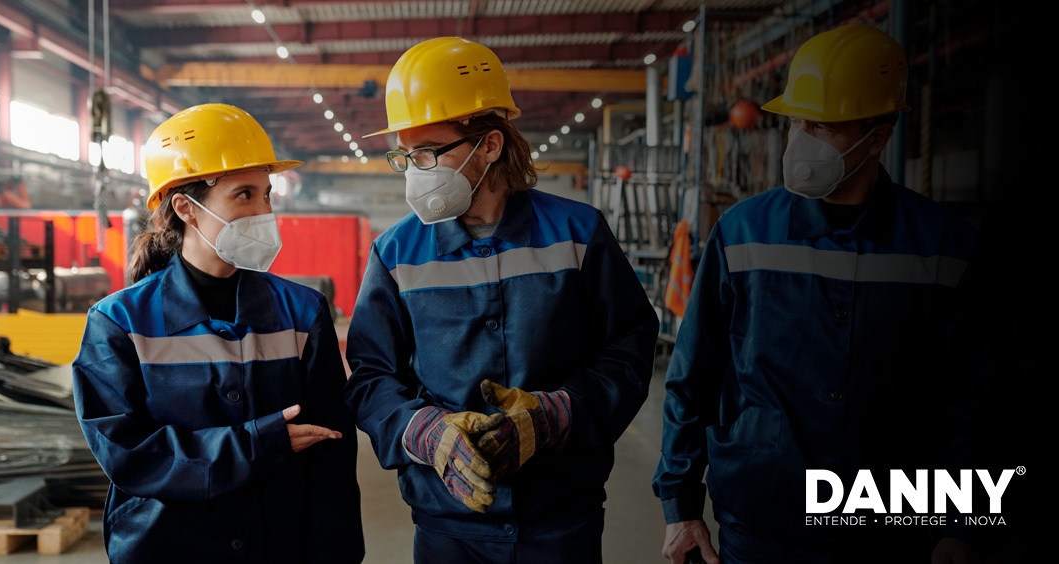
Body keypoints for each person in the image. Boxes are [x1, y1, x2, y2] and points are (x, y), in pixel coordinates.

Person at [652, 24, 987, 564]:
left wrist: (964, 527)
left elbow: (975, 401)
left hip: (895, 527)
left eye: (823, 126)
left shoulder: (945, 248)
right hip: (762, 521)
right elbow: (694, 378)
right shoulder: (742, 233)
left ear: (878, 136)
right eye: (796, 122)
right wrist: (680, 503)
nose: (801, 139)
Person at [343, 36, 659, 563]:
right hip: (449, 525)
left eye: (428, 152)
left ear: (490, 145)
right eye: (406, 155)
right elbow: (371, 377)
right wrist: (420, 429)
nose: (416, 170)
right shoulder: (396, 253)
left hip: (562, 518)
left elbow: (627, 350)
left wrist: (556, 414)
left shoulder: (577, 235)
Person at [71, 103, 365, 563]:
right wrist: (258, 443)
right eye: (244, 195)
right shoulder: (120, 323)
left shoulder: (302, 312)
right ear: (186, 207)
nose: (263, 211)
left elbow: (331, 454)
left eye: (267, 194)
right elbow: (128, 453)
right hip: (166, 548)